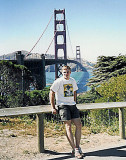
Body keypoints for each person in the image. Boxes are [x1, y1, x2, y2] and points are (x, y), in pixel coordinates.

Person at [50, 65, 83, 159]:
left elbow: (75, 91)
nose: (66, 74)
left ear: (70, 72)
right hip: (63, 105)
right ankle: (75, 150)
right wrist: (53, 107)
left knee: (79, 125)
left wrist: (74, 101)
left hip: (72, 105)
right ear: (62, 73)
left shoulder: (72, 80)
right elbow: (51, 92)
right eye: (64, 72)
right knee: (68, 126)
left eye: (68, 72)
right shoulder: (58, 81)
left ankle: (77, 146)